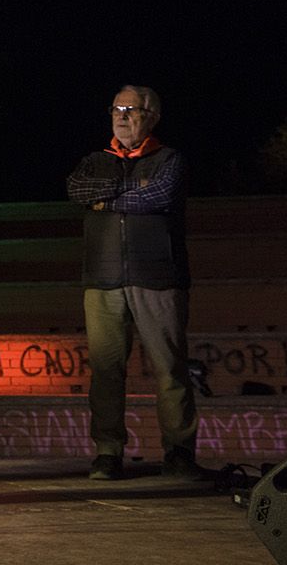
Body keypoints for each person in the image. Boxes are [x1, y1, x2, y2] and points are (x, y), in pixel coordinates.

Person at [66, 85, 201, 481]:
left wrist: (105, 202)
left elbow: (158, 196)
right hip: (102, 280)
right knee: (106, 372)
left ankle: (178, 452)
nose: (122, 116)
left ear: (152, 116)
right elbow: (76, 190)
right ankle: (108, 452)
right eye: (116, 109)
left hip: (158, 278)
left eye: (132, 110)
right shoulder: (94, 161)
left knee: (169, 370)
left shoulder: (169, 159)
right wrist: (130, 192)